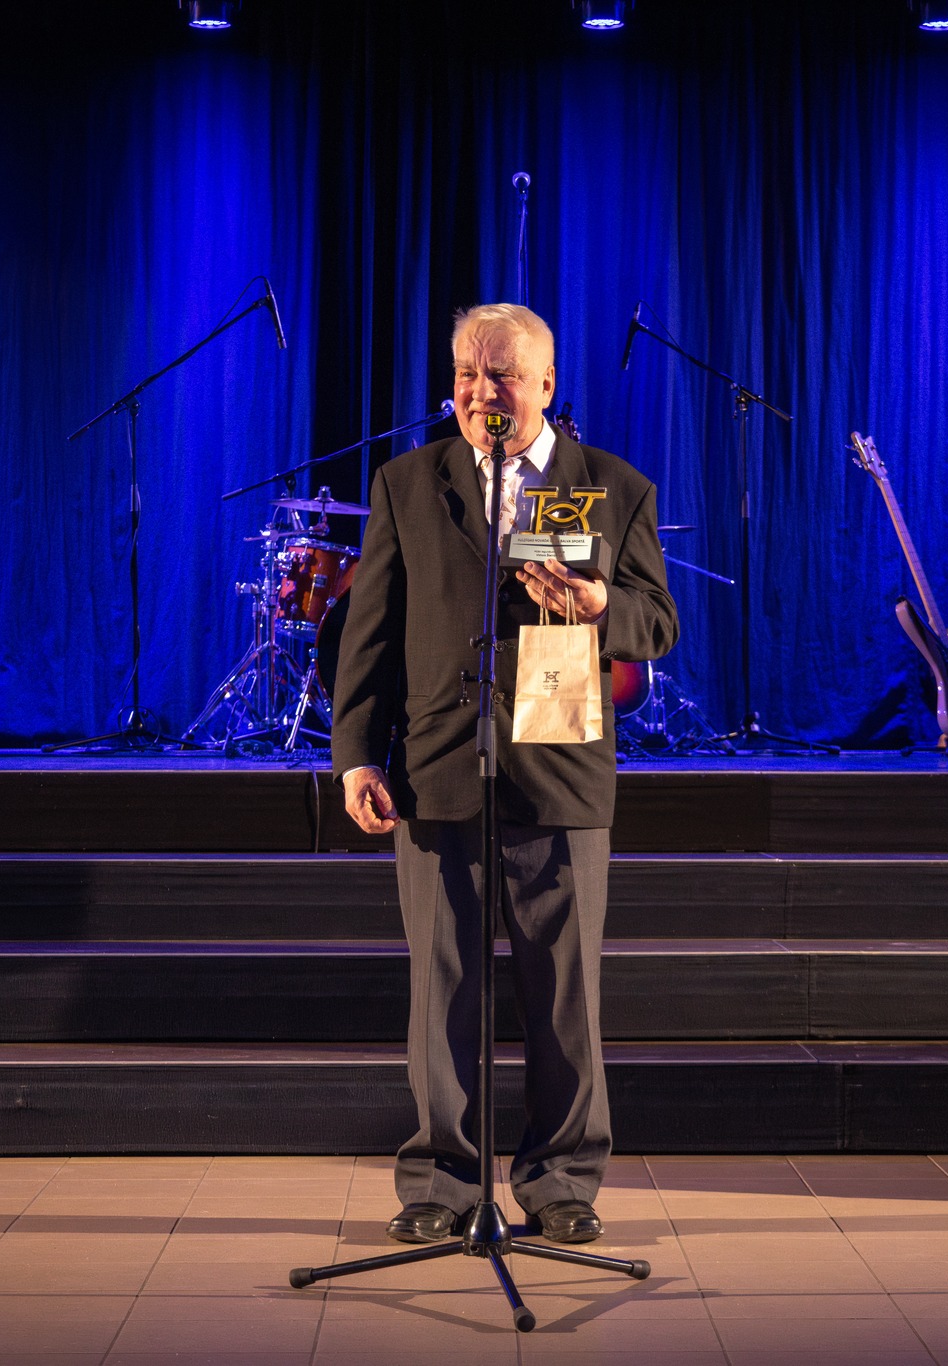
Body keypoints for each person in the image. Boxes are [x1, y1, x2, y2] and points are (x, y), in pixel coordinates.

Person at [331, 303, 679, 1243]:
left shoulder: (611, 486)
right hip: (439, 766)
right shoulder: (409, 483)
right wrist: (357, 755)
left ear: (546, 386)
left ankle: (562, 1180)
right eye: (465, 374)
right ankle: (440, 1185)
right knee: (441, 991)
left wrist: (601, 603)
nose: (480, 392)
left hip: (560, 765)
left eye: (502, 376)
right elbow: (369, 638)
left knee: (564, 994)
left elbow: (657, 620)